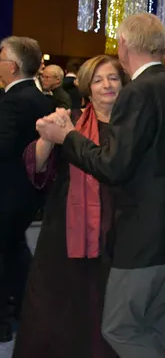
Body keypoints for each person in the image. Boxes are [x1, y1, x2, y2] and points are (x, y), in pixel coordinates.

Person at [35, 13, 165, 358]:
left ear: (124, 45)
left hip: (142, 236)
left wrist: (68, 137)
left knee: (119, 328)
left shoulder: (138, 91)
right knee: (154, 328)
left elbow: (113, 167)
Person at [13, 55, 128, 358]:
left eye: (113, 78)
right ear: (88, 87)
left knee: (103, 304)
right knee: (57, 303)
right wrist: (48, 138)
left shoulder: (131, 126)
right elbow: (36, 166)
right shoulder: (71, 120)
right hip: (65, 229)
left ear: (123, 83)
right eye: (99, 80)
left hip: (116, 227)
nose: (107, 85)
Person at [0, 36, 55, 343]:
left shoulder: (12, 101)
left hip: (7, 191)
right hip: (27, 192)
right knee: (15, 249)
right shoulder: (41, 98)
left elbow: (4, 147)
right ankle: (27, 307)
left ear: (12, 67)